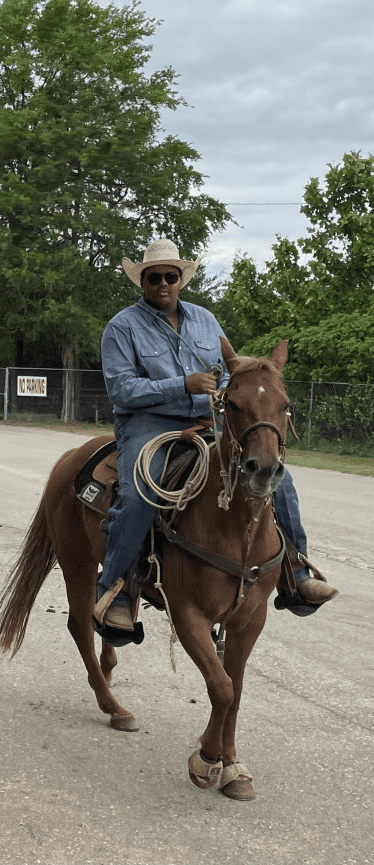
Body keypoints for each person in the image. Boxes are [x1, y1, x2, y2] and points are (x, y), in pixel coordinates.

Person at [98, 238, 337, 631]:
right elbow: (121, 389)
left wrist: (232, 388)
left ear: (180, 280)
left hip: (211, 420)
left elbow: (226, 372)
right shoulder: (122, 327)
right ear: (142, 281)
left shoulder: (206, 320)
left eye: (170, 276)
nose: (162, 283)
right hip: (148, 423)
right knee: (143, 488)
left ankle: (295, 573)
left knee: (280, 478)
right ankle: (116, 590)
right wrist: (183, 385)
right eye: (154, 277)